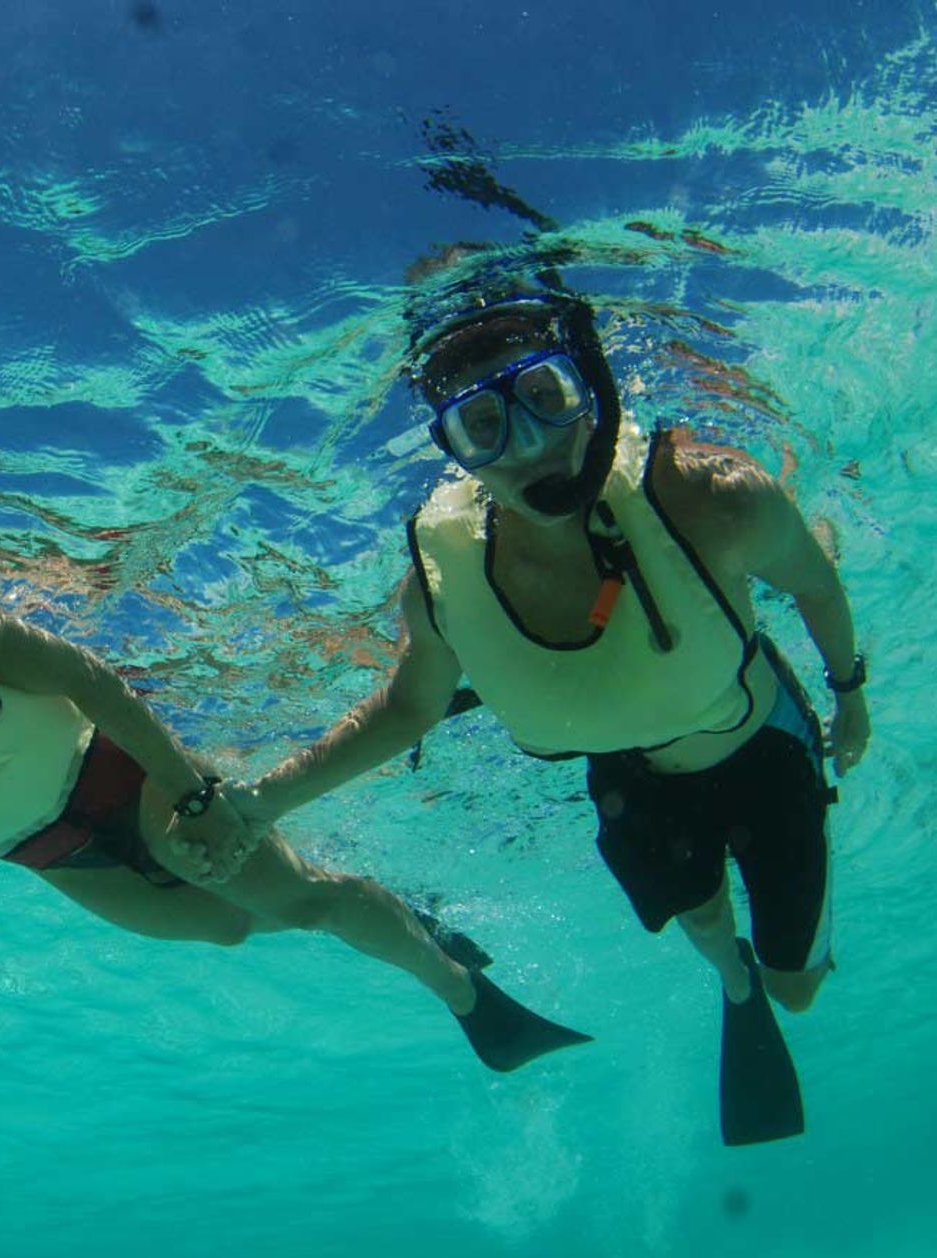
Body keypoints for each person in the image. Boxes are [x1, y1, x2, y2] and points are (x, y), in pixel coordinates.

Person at [207, 290, 869, 1144]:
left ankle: (764, 977)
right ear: (456, 454)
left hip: (762, 749)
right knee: (704, 920)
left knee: (800, 989)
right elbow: (405, 709)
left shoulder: (714, 498)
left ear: (590, 388)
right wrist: (259, 803)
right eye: (482, 425)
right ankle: (729, 977)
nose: (529, 446)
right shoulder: (444, 588)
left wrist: (850, 697)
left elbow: (814, 584)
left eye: (548, 400)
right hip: (635, 778)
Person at [0, 509, 591, 1073]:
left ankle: (468, 998)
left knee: (290, 894)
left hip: (117, 772)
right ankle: (415, 916)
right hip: (46, 851)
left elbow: (88, 680)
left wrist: (193, 792)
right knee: (229, 924)